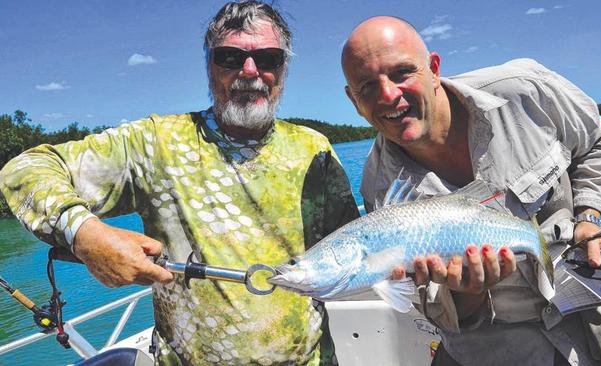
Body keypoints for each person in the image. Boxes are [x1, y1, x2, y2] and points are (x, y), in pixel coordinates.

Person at [0, 2, 358, 365]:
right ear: (209, 66)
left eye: (268, 59)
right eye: (230, 57)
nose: (250, 71)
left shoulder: (315, 149)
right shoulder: (158, 144)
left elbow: (353, 246)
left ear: (283, 70)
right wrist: (85, 235)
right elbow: (26, 168)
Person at [341, 16, 601, 366]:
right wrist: (468, 294)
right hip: (495, 348)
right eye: (367, 87)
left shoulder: (526, 91)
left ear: (434, 69)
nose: (388, 95)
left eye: (402, 72)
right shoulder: (380, 188)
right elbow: (431, 302)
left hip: (591, 317)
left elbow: (596, 143)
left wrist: (588, 217)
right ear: (353, 101)